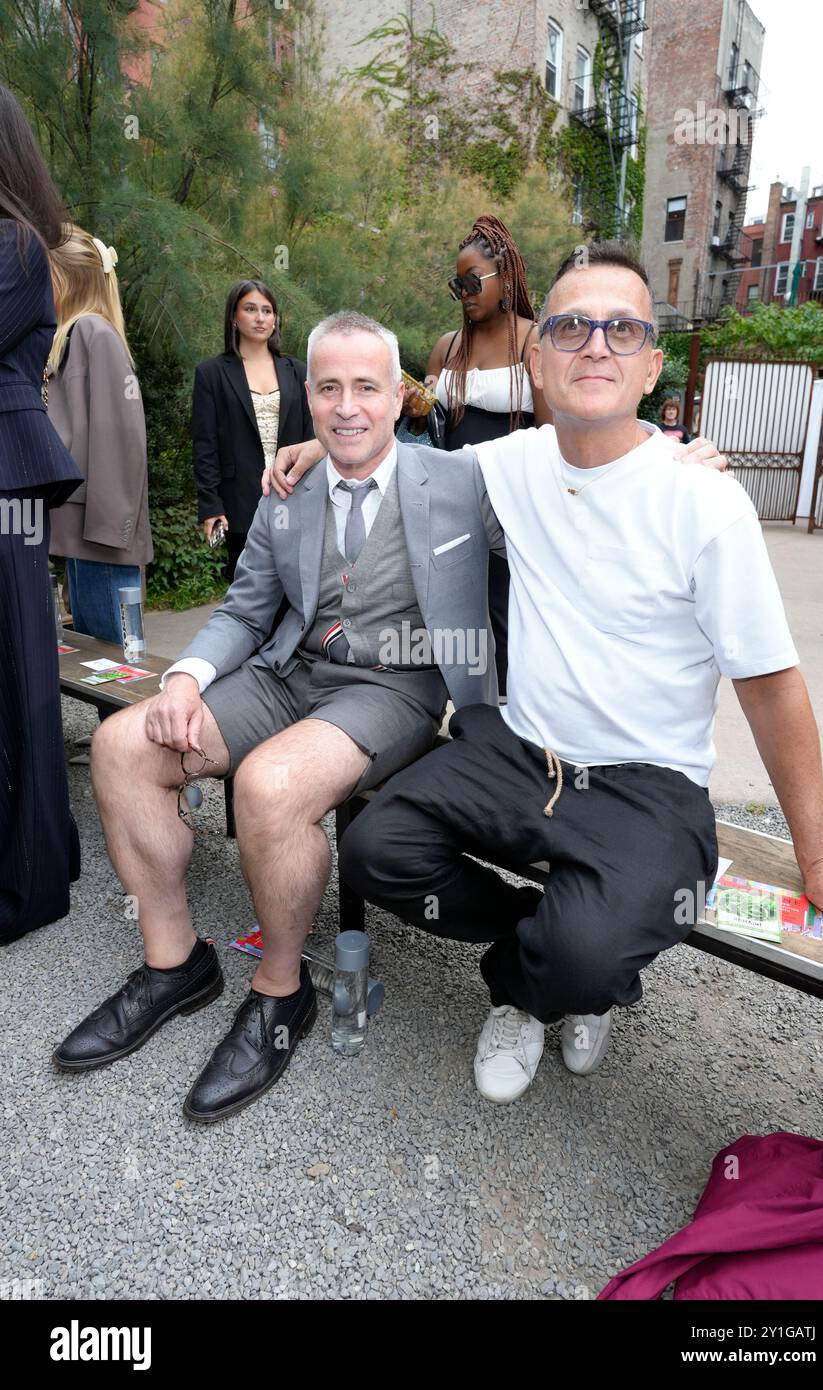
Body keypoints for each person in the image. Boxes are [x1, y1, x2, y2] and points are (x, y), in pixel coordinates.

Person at [337, 242, 823, 1105]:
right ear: (538, 360)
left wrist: (821, 857)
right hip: (522, 755)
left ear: (653, 365)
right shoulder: (509, 466)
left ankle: (545, 982)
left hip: (648, 786)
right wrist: (306, 457)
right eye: (571, 326)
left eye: (622, 329)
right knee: (372, 848)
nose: (595, 344)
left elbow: (769, 686)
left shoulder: (704, 500)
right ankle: (552, 950)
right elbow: (391, 466)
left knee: (585, 955)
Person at [53, 310, 504, 1122]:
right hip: (288, 672)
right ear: (309, 395)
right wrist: (186, 679)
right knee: (123, 744)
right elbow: (246, 607)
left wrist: (669, 453)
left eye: (367, 386)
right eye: (328, 388)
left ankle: (280, 991)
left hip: (393, 688)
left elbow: (576, 479)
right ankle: (175, 963)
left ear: (398, 395)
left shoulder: (465, 480)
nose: (347, 406)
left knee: (270, 786)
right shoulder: (286, 491)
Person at [402, 216, 551, 696]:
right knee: (450, 609)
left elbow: (549, 434)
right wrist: (418, 411)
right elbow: (428, 429)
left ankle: (510, 716)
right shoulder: (446, 347)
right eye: (457, 285)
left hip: (511, 501)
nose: (464, 293)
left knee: (505, 609)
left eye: (473, 281)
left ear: (505, 278)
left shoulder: (534, 341)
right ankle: (452, 707)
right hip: (449, 501)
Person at [0, 84, 83, 942]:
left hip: (7, 480)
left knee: (21, 676)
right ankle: (38, 858)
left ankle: (28, 886)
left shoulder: (18, 245)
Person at [47, 226, 152, 653]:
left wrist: (111, 530)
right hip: (85, 529)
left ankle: (127, 723)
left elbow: (121, 436)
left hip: (101, 533)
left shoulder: (93, 332)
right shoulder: (75, 334)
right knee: (96, 657)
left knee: (118, 662)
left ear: (67, 278)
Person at [192, 279, 315, 583]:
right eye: (250, 309)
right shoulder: (211, 374)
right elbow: (205, 445)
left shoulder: (298, 371)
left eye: (267, 310)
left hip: (294, 494)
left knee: (296, 589)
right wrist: (211, 506)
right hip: (240, 500)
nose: (261, 318)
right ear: (234, 316)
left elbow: (314, 437)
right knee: (249, 589)